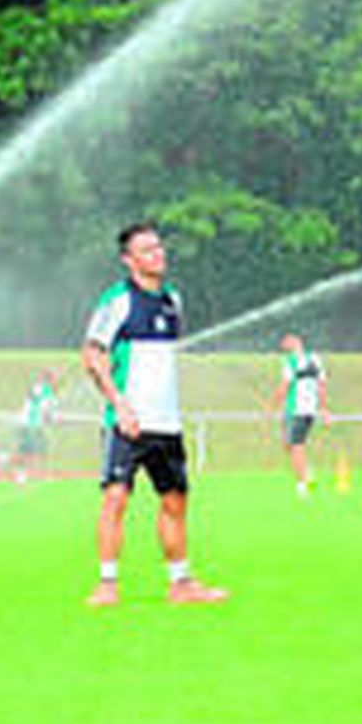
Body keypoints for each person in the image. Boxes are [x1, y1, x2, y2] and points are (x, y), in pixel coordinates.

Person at [81, 222, 227, 608]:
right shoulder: (118, 301)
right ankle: (107, 584)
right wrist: (120, 404)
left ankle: (181, 584)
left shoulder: (173, 300)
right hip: (127, 423)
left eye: (160, 248)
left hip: (168, 423)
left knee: (175, 502)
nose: (158, 255)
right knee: (116, 499)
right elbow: (92, 357)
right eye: (147, 250)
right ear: (128, 260)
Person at [268, 333, 329, 498]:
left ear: (295, 342)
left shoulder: (293, 362)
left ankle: (302, 485)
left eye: (286, 342)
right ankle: (306, 472)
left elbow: (285, 386)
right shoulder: (315, 359)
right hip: (304, 410)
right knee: (288, 444)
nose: (283, 346)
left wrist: (271, 406)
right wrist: (323, 409)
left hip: (298, 410)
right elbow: (321, 385)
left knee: (296, 446)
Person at [14, 369, 59, 484]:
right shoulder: (41, 390)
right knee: (25, 450)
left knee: (40, 450)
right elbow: (36, 400)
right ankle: (20, 473)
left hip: (36, 425)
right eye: (53, 380)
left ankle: (38, 474)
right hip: (29, 424)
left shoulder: (50, 394)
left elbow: (49, 411)